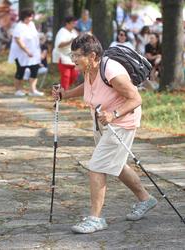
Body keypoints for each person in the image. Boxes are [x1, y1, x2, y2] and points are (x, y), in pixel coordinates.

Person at [52, 33, 157, 234]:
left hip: (121, 121)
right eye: (71, 55)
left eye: (76, 56)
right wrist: (65, 95)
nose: (73, 60)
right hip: (102, 119)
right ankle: (146, 199)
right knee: (115, 165)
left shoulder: (111, 70)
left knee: (97, 166)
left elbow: (135, 99)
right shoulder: (91, 69)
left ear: (92, 56)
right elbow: (89, 87)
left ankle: (96, 218)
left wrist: (114, 114)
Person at [8, 9, 44, 97]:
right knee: (21, 70)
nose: (31, 18)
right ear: (24, 17)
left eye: (32, 16)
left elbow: (34, 35)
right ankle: (18, 90)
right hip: (21, 53)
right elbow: (18, 40)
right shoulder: (19, 26)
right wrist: (26, 51)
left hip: (33, 52)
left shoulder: (31, 24)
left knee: (34, 70)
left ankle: (33, 90)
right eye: (29, 16)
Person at [52, 16, 78, 90]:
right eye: (72, 23)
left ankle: (61, 90)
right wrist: (70, 41)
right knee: (66, 76)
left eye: (74, 23)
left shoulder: (74, 32)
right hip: (63, 56)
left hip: (72, 57)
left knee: (74, 75)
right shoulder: (62, 31)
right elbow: (59, 45)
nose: (74, 25)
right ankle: (64, 93)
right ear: (67, 23)